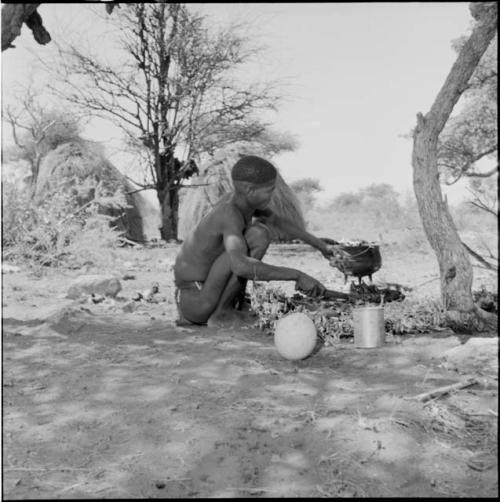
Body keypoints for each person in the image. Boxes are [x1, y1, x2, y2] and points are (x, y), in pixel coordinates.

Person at [174, 155, 348, 328]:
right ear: (250, 190)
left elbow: (278, 222)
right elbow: (241, 267)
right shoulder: (229, 213)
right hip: (197, 301)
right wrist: (297, 275)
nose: (272, 196)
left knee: (257, 234)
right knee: (257, 236)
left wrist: (322, 247)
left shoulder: (241, 203)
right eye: (269, 190)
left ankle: (233, 306)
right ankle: (222, 313)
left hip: (202, 295)